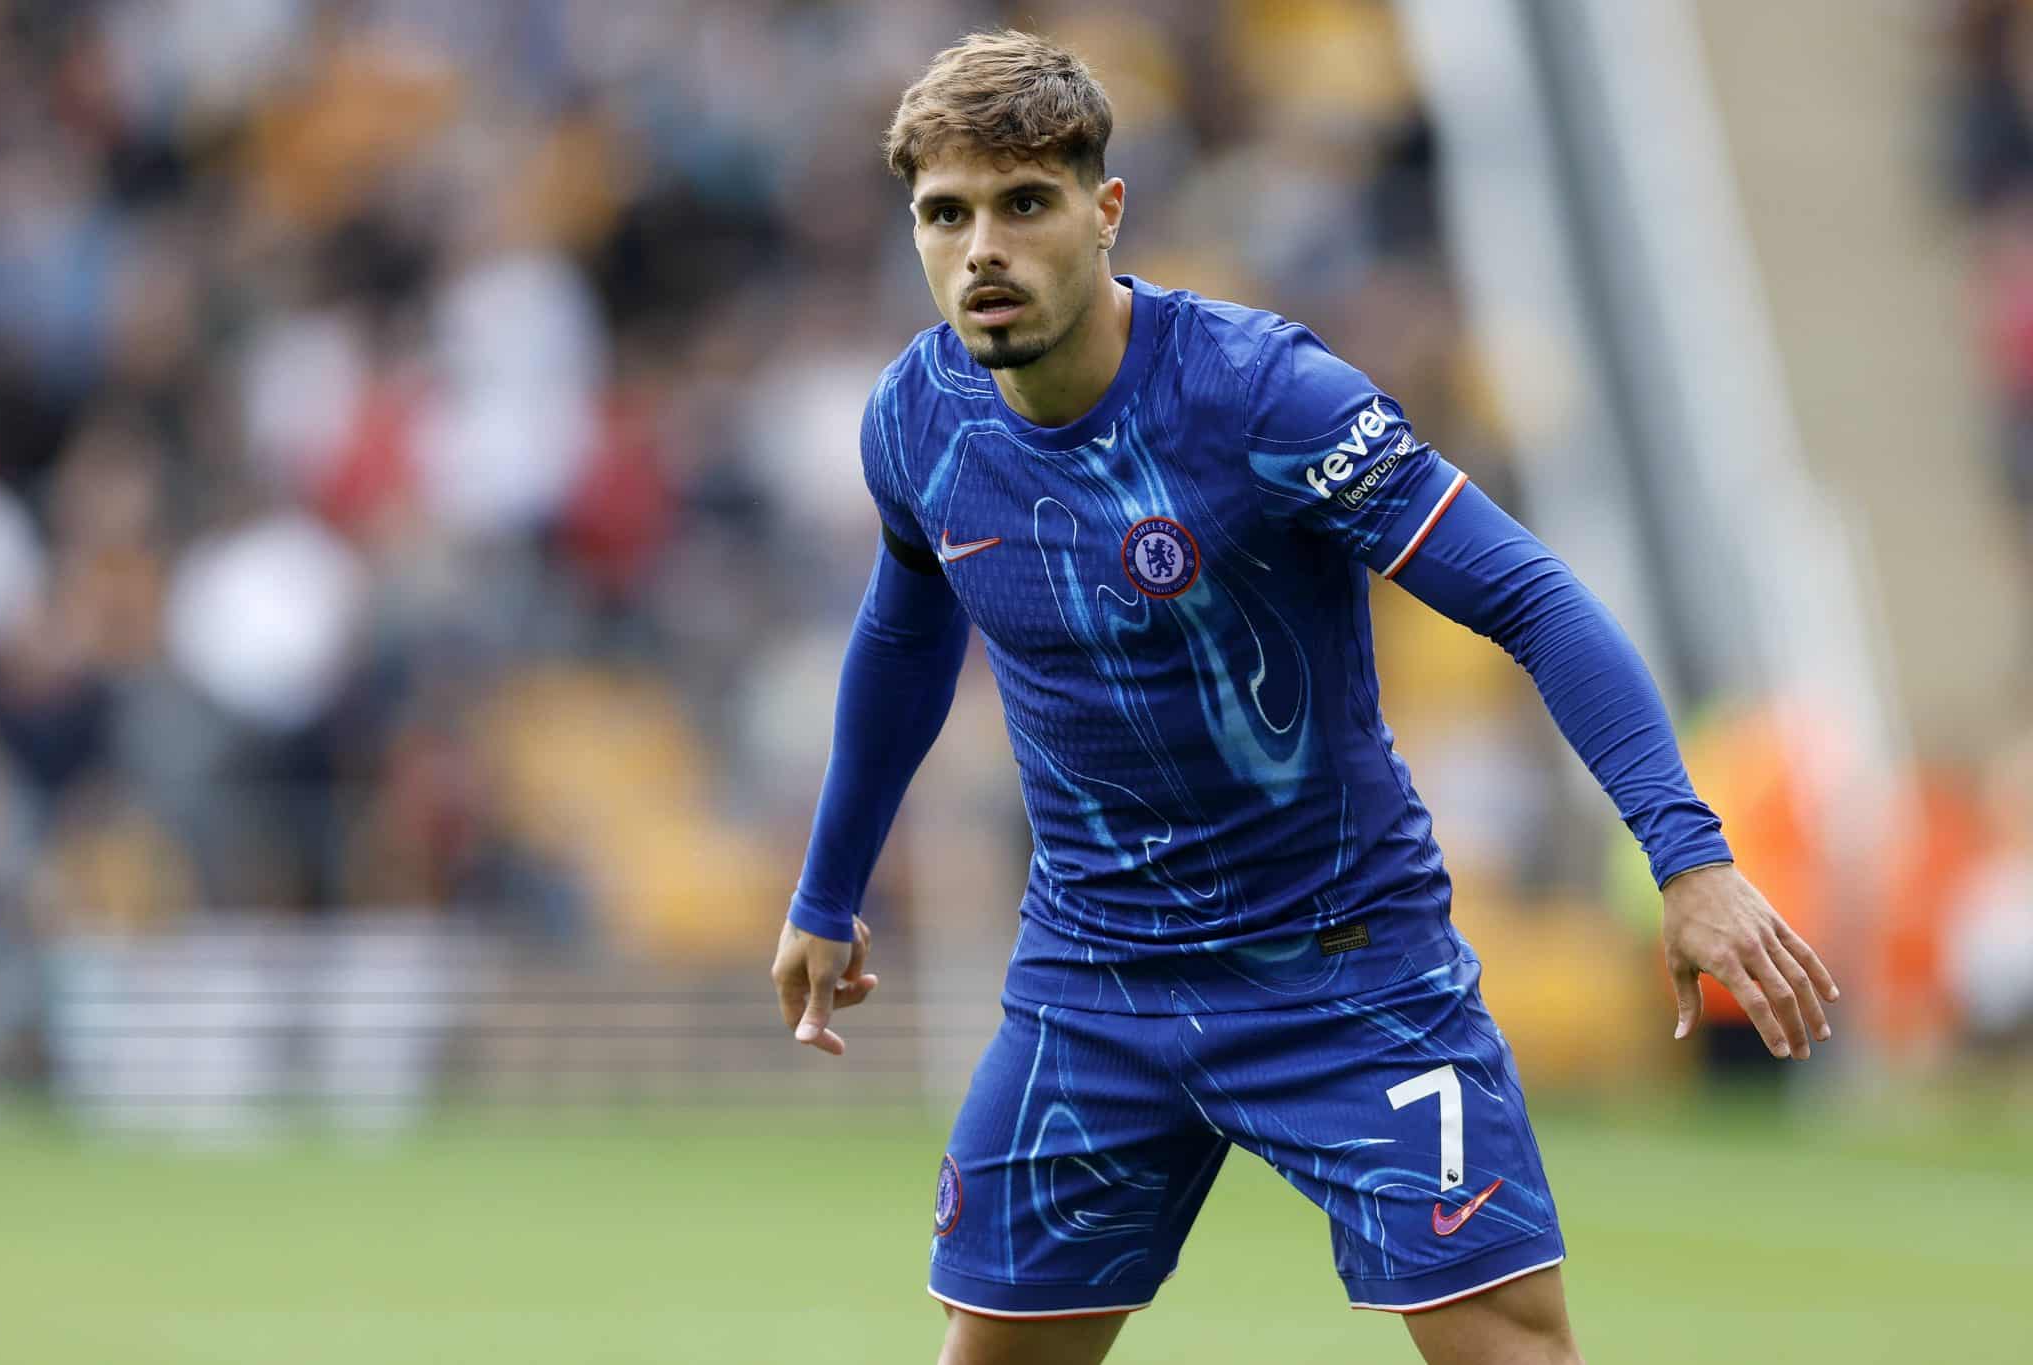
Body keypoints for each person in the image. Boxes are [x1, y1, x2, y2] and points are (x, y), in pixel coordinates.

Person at [770, 31, 1839, 1365]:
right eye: (947, 213)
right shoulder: (915, 423)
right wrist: (828, 888)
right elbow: (905, 637)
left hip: (1346, 974)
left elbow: (1532, 597)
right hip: (1094, 983)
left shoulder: (1263, 395)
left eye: (1023, 203)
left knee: (1512, 1348)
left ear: (1106, 212)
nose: (981, 247)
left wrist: (1689, 855)